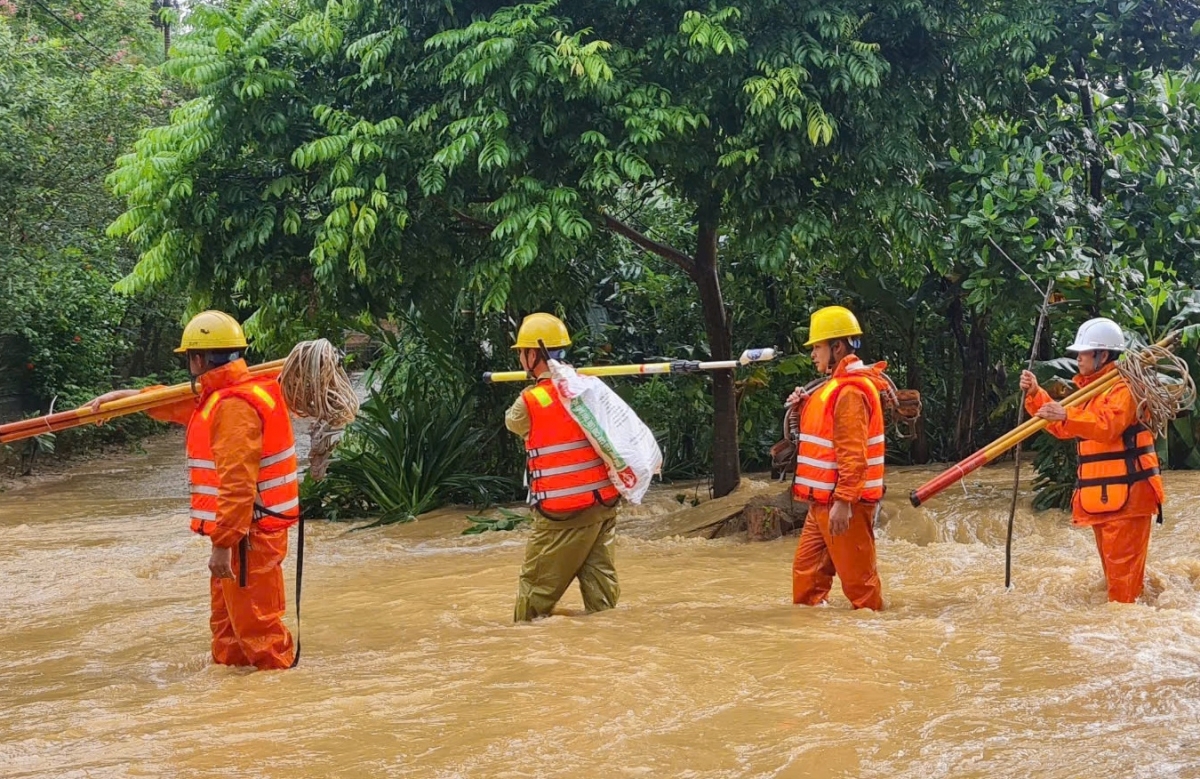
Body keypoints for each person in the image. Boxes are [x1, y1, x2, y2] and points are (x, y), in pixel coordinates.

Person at [87, 311, 299, 668]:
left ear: (198, 359)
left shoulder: (233, 406)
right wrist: (127, 398)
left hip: (247, 539)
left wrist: (222, 545)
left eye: (189, 358)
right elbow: (174, 402)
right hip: (243, 538)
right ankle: (236, 706)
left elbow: (237, 485)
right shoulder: (225, 395)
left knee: (261, 636)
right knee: (228, 634)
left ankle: (280, 706)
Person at [1020, 317, 1163, 603]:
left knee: (1122, 592)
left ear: (1103, 355)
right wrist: (1037, 395)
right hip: (1106, 497)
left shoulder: (1124, 388)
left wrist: (1066, 414)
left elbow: (1106, 425)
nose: (1078, 358)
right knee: (1117, 579)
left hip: (1129, 498)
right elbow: (1064, 427)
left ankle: (1123, 636)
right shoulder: (1091, 390)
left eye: (1084, 353)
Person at [504, 313, 621, 622]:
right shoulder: (589, 388)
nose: (519, 358)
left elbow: (513, 424)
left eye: (521, 352)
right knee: (602, 597)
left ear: (533, 354)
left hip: (561, 513)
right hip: (603, 505)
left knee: (533, 600)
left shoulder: (531, 401)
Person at [786, 306, 890, 611]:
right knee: (806, 583)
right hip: (822, 503)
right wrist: (801, 407)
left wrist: (844, 501)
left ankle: (872, 648)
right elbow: (826, 436)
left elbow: (853, 453)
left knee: (862, 590)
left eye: (817, 347)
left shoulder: (850, 392)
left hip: (844, 504)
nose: (813, 354)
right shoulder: (834, 387)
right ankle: (817, 645)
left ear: (837, 347)